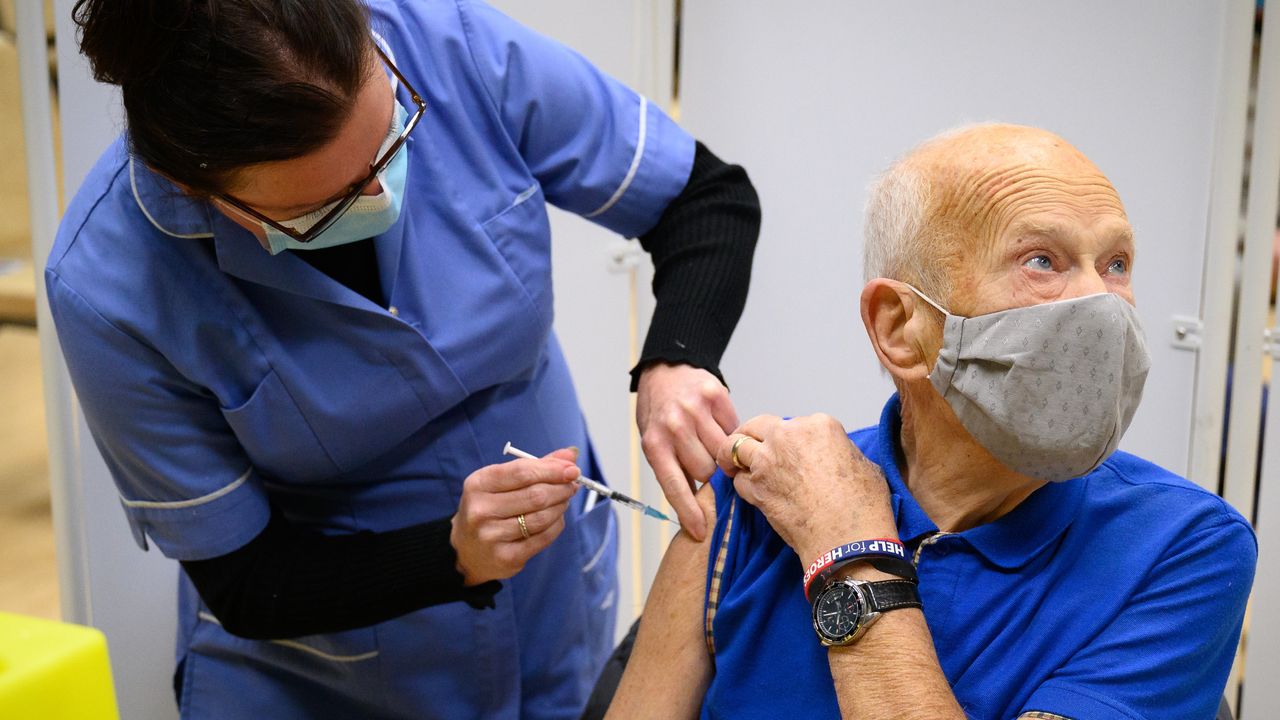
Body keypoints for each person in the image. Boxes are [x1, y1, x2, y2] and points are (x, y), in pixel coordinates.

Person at [48, 1, 759, 718]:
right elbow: (245, 580)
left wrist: (678, 357)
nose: (382, 192)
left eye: (393, 135)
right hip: (327, 676)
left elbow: (705, 197)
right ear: (195, 192)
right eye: (326, 204)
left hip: (551, 615)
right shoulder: (109, 288)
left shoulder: (442, 43)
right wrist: (450, 555)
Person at [607, 124, 1256, 720]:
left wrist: (849, 549)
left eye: (1116, 264)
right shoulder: (756, 491)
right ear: (900, 328)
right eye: (1042, 261)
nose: (1102, 306)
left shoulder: (1184, 548)